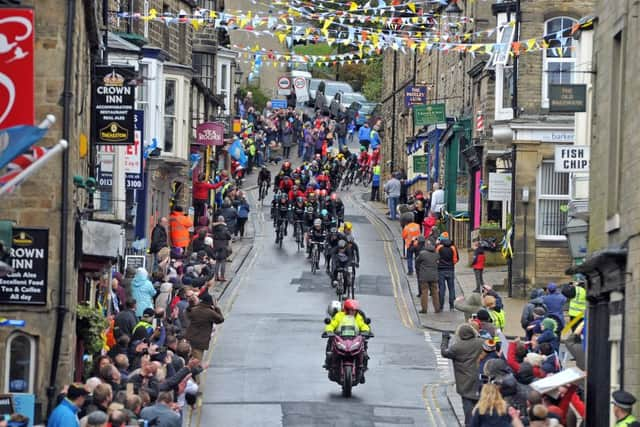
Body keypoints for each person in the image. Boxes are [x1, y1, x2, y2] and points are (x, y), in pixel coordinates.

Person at [441, 324, 484, 427]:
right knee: (480, 406)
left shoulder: (457, 347)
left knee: (468, 407)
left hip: (464, 383)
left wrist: (445, 339)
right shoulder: (481, 343)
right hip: (480, 380)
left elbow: (444, 353)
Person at [185, 291, 224, 362]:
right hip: (201, 340)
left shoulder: (194, 310)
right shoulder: (210, 312)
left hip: (191, 337)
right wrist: (216, 308)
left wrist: (191, 304)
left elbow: (188, 314)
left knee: (192, 357)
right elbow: (220, 319)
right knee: (197, 361)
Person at [414, 237, 440, 313]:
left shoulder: (422, 254)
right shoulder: (436, 254)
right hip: (434, 276)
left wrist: (420, 269)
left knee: (424, 292)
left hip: (424, 276)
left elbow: (417, 262)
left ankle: (424, 309)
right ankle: (437, 308)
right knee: (435, 292)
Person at [436, 232, 459, 311]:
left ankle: (441, 306)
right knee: (451, 288)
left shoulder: (439, 247)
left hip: (441, 270)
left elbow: (436, 258)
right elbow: (456, 259)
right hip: (450, 270)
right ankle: (452, 306)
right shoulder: (453, 247)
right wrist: (451, 264)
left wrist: (439, 264)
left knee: (442, 288)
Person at [212, 216, 232, 281]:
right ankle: (222, 276)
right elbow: (229, 237)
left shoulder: (214, 228)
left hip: (216, 245)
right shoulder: (225, 228)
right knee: (223, 261)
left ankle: (216, 276)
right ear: (223, 221)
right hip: (223, 245)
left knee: (217, 261)